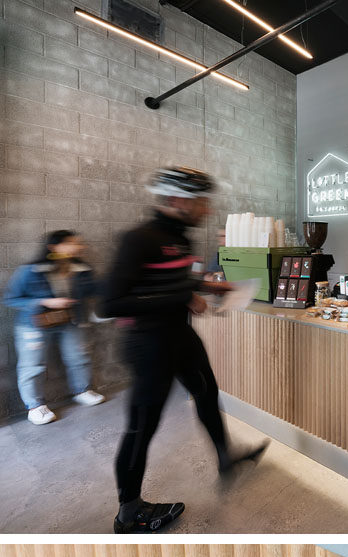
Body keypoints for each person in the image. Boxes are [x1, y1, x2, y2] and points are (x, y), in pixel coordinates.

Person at [100, 166, 267, 535]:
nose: (206, 211)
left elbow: (171, 277)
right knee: (142, 427)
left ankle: (226, 457)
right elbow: (110, 303)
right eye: (201, 203)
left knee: (207, 394)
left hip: (180, 335)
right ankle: (129, 513)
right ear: (177, 200)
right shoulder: (138, 239)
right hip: (149, 344)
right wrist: (183, 295)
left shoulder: (180, 239)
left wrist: (211, 287)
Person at [4, 231, 105, 425]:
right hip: (34, 324)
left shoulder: (81, 268)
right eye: (72, 243)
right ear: (53, 247)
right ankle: (34, 407)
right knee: (32, 365)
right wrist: (46, 301)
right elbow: (11, 298)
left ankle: (82, 391)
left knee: (79, 356)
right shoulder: (31, 270)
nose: (78, 247)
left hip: (70, 320)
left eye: (78, 244)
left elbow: (95, 289)